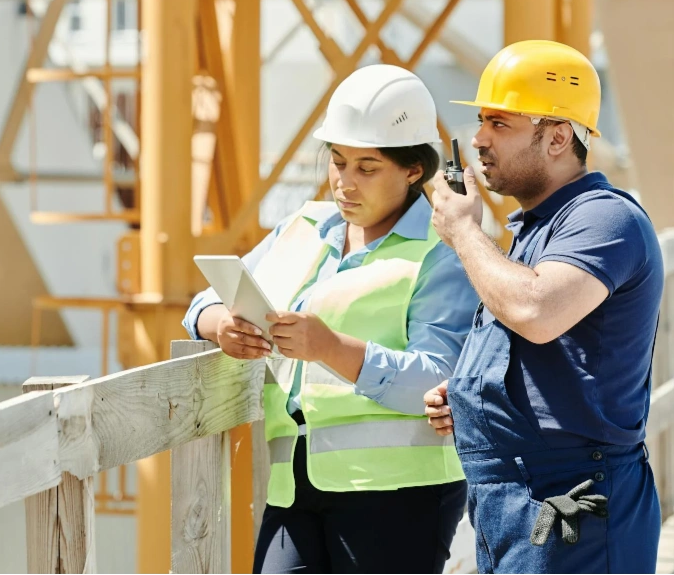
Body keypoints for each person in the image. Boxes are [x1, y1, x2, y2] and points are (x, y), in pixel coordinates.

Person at [183, 65, 478, 575]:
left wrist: (329, 348)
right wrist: (220, 325)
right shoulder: (302, 226)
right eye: (337, 163)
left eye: (367, 168)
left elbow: (438, 381)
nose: (344, 183)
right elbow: (203, 302)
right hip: (294, 484)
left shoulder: (442, 254)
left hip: (399, 495)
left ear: (413, 171)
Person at [424, 40, 664, 575]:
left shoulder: (605, 219)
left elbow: (535, 311)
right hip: (518, 500)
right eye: (482, 120)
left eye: (500, 124)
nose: (479, 139)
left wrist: (464, 230)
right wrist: (469, 396)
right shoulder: (534, 231)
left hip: (572, 498)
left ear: (558, 136)